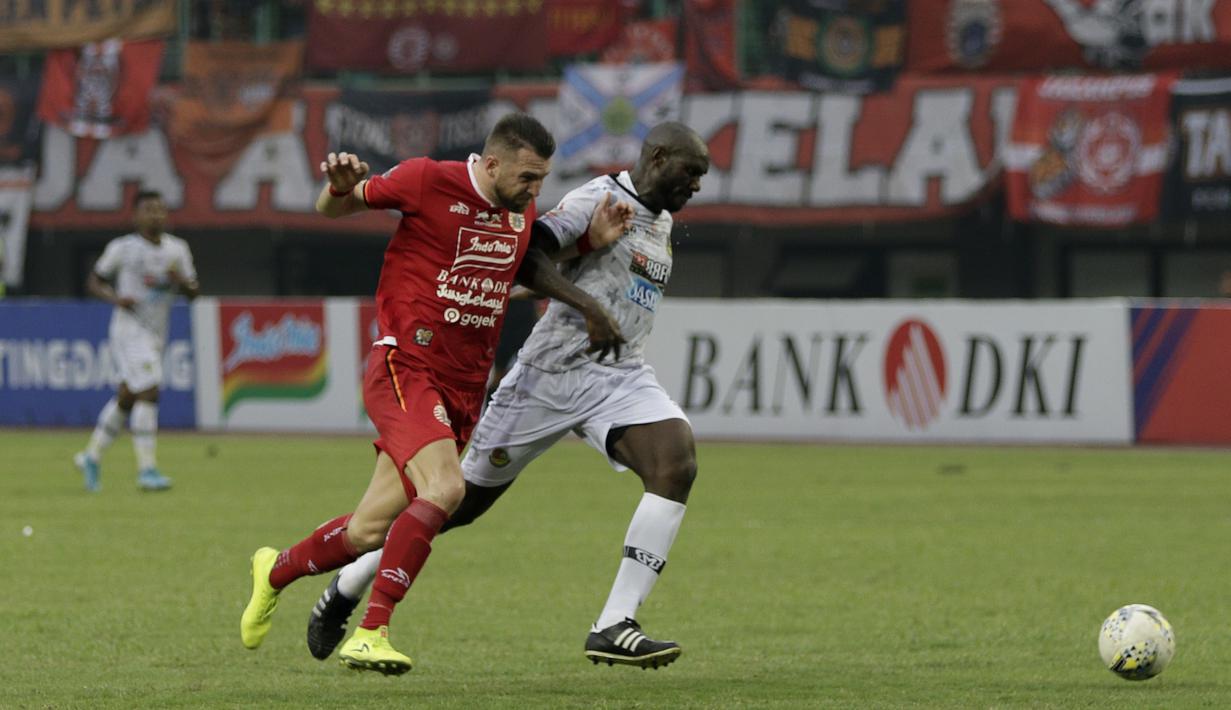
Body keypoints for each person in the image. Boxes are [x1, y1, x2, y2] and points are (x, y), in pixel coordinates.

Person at [305, 122, 711, 670]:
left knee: (675, 461)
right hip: (548, 376)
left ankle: (615, 622)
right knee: (455, 503)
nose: (697, 186)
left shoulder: (659, 222)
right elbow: (529, 254)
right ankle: (348, 583)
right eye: (691, 173)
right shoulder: (600, 196)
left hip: (617, 375)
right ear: (659, 157)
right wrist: (588, 308)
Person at [239, 113, 632, 676]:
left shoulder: (516, 213)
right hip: (407, 365)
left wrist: (593, 240)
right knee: (447, 488)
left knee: (366, 531)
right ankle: (372, 630)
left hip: (465, 388)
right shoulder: (426, 179)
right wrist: (341, 187)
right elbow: (337, 206)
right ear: (491, 163)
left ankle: (273, 571)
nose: (535, 192)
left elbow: (509, 275)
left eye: (542, 180)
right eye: (527, 177)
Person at [73, 190, 199, 492]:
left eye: (160, 209)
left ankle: (91, 456)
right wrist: (115, 298)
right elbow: (94, 281)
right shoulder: (123, 248)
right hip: (128, 329)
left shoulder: (177, 250)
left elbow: (195, 292)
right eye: (148, 209)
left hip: (157, 332)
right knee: (150, 388)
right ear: (136, 216)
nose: (155, 214)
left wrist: (181, 281)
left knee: (129, 396)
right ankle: (148, 469)